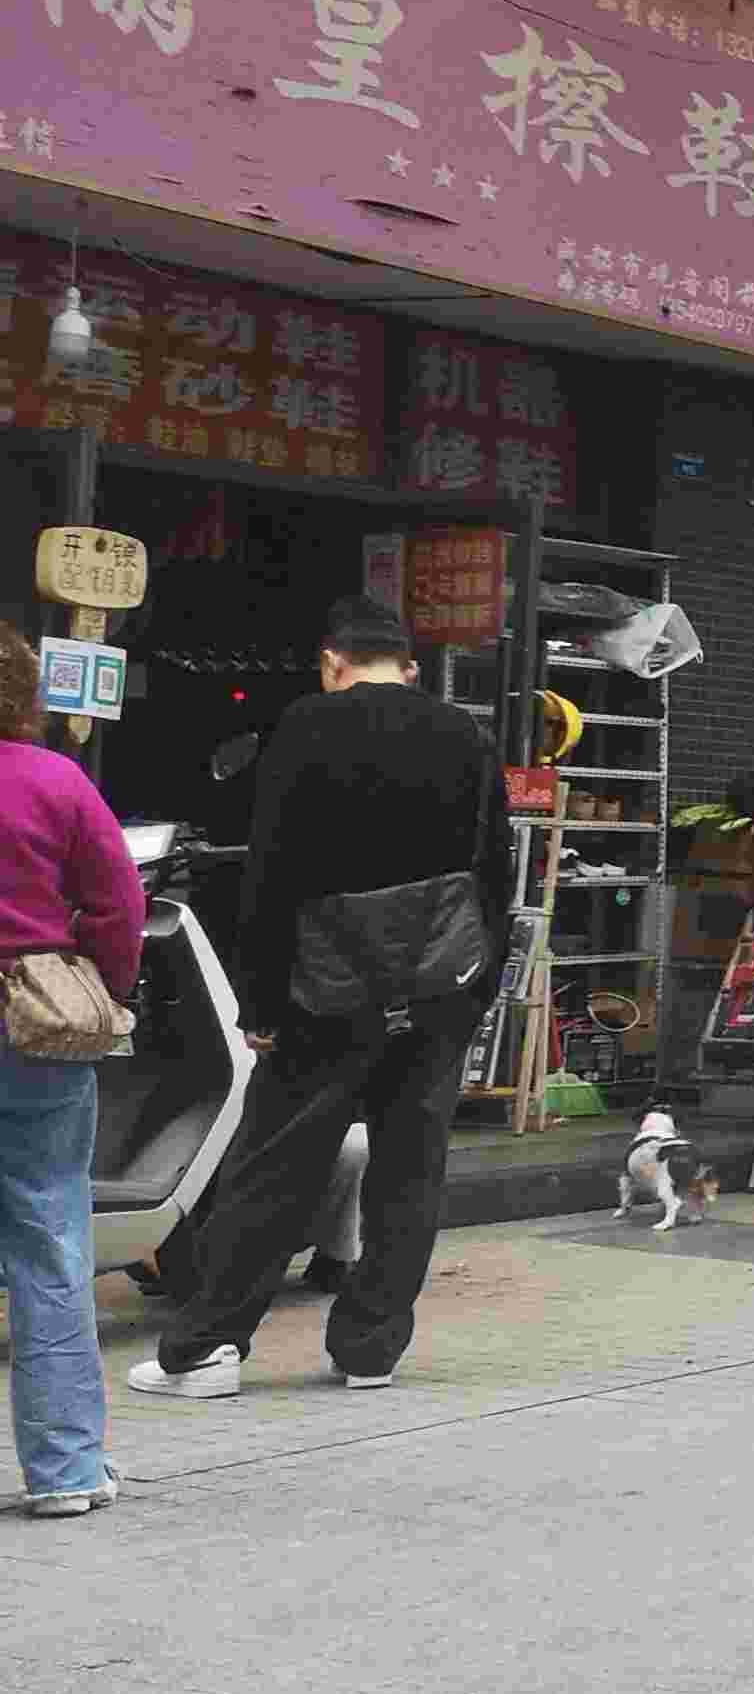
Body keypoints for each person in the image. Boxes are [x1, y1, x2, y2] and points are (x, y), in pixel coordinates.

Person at [131, 594, 509, 1402]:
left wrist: (260, 1004)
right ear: (409, 667)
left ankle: (208, 1349)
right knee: (410, 1173)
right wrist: (481, 987)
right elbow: (495, 873)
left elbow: (272, 874)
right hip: (440, 988)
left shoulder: (307, 725)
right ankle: (370, 1351)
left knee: (273, 1167)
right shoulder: (466, 734)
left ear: (332, 662)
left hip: (324, 990)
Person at [0, 627, 146, 1517]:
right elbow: (119, 903)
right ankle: (64, 1471)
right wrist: (105, 986)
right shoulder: (54, 780)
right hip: (37, 1029)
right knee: (49, 1236)